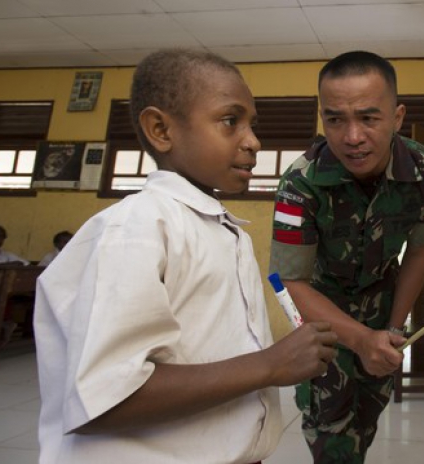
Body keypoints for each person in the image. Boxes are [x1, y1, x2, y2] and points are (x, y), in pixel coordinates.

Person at [34, 49, 338, 463]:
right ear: (161, 129)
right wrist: (270, 365)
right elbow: (105, 400)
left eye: (252, 124)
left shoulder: (222, 230)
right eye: (230, 121)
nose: (253, 141)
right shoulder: (136, 230)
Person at [269, 50, 424, 463]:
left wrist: (390, 327)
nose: (352, 136)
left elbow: (420, 251)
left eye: (369, 118)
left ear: (397, 117)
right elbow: (287, 281)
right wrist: (360, 339)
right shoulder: (300, 182)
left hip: (383, 302)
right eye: (335, 119)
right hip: (318, 314)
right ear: (322, 119)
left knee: (366, 419)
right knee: (329, 432)